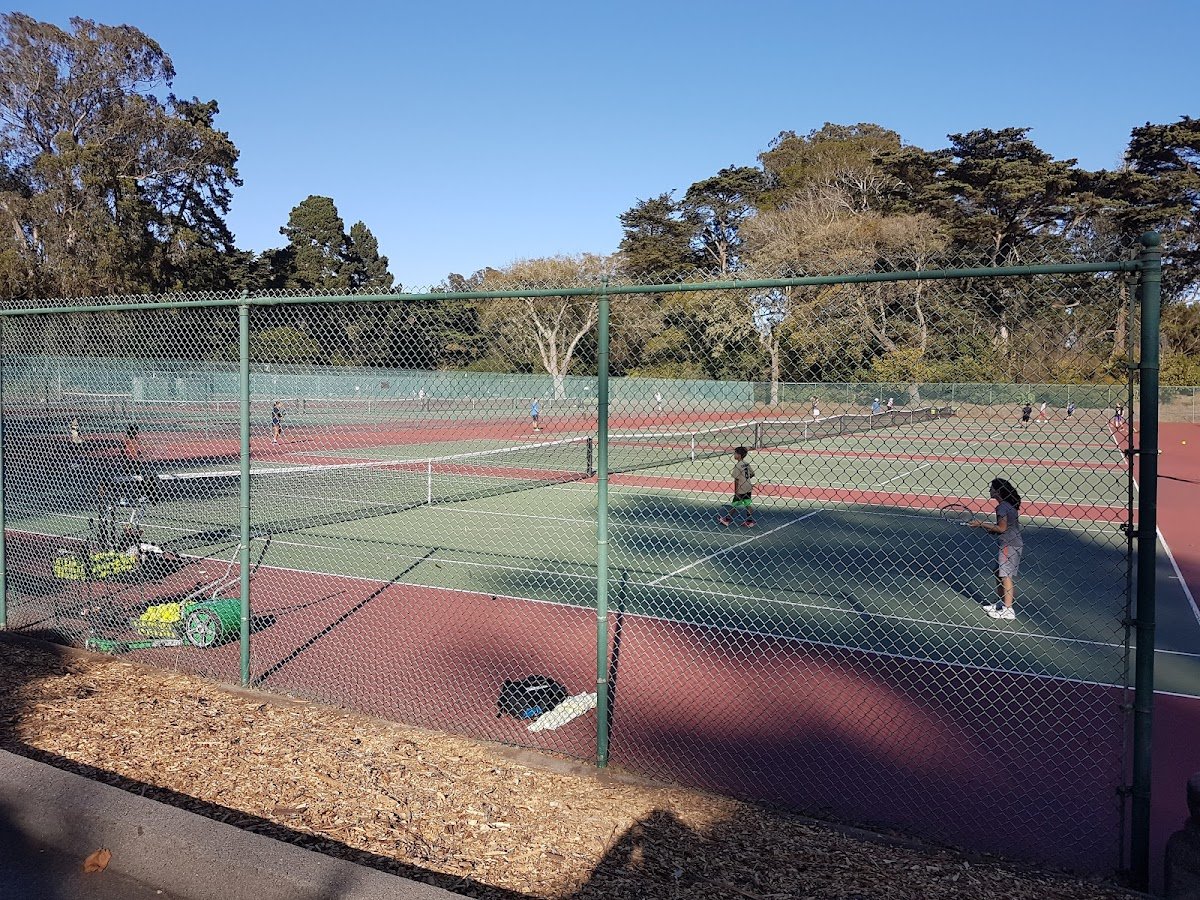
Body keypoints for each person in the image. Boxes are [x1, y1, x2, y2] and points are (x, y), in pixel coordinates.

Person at [969, 477, 1023, 620]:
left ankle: (1008, 609)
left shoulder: (1002, 507)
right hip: (1010, 543)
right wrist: (993, 529)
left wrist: (981, 524)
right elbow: (1005, 527)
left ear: (998, 491)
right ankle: (1001, 603)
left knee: (1005, 575)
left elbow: (1002, 528)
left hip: (1009, 545)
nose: (989, 490)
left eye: (992, 488)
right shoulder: (1007, 505)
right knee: (998, 572)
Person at [717, 446, 756, 528]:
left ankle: (727, 519)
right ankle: (749, 521)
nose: (734, 455)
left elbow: (737, 480)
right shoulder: (746, 463)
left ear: (739, 455)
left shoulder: (738, 466)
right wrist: (746, 479)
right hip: (748, 486)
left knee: (735, 504)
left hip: (741, 487)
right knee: (747, 503)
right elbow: (752, 474)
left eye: (735, 453)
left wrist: (736, 491)